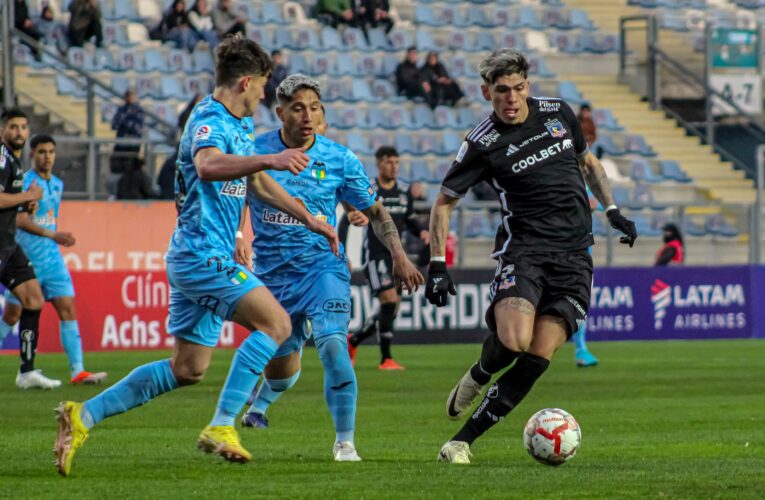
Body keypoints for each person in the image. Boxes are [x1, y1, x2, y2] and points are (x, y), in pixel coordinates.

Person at [53, 36, 340, 476]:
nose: (264, 96)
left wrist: (310, 219)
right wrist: (272, 160)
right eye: (262, 86)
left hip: (207, 254)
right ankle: (223, 424)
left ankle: (82, 416)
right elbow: (208, 165)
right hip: (200, 254)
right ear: (246, 81)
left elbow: (257, 184)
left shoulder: (241, 126)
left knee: (188, 368)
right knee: (277, 323)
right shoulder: (208, 118)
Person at [425, 50, 637, 464]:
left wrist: (612, 210)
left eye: (519, 88)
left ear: (529, 86)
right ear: (487, 92)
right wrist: (436, 263)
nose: (512, 98)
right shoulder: (481, 143)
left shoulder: (558, 112)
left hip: (576, 257)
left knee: (538, 355)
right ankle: (480, 372)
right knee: (515, 340)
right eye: (501, 90)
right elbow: (443, 203)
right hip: (525, 252)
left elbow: (587, 163)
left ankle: (461, 441)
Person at [235, 75, 423, 461]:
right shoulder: (256, 152)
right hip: (272, 277)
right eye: (299, 108)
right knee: (282, 370)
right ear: (280, 112)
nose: (308, 116)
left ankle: (345, 442)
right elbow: (238, 194)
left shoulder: (339, 159)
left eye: (315, 108)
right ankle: (261, 401)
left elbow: (375, 210)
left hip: (324, 269)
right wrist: (238, 235)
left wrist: (400, 256)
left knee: (334, 345)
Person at [0, 134, 107, 385]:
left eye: (50, 152)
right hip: (27, 256)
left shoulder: (57, 184)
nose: (46, 157)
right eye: (41, 152)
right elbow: (17, 219)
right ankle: (27, 371)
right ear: (32, 154)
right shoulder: (24, 182)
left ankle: (77, 371)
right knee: (12, 316)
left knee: (68, 308)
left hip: (52, 259)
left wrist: (53, 236)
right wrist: (53, 234)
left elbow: (45, 216)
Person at [346, 146, 429, 370]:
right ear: (379, 164)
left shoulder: (403, 191)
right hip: (375, 255)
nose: (393, 166)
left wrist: (422, 231)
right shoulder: (369, 190)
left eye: (396, 162)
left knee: (391, 310)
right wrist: (344, 251)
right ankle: (386, 359)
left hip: (396, 257)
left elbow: (410, 218)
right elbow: (348, 218)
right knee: (389, 302)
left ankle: (353, 341)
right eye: (388, 162)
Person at [0, 108, 60, 389]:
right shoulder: (2, 157)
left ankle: (26, 372)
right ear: (3, 130)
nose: (20, 132)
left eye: (24, 127)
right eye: (13, 127)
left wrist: (25, 204)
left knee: (34, 300)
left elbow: (8, 199)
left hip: (9, 246)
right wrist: (29, 195)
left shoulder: (14, 160)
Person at [572, 189, 599, 368]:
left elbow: (594, 204)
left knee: (580, 304)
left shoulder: (582, 181)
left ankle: (581, 349)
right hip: (566, 253)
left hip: (582, 255)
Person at [109, 89, 145, 197]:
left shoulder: (138, 110)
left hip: (133, 147)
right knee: (118, 171)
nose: (130, 98)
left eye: (132, 95)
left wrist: (125, 122)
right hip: (120, 147)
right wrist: (127, 122)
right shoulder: (121, 109)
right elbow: (114, 124)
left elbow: (137, 128)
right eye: (128, 95)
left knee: (132, 171)